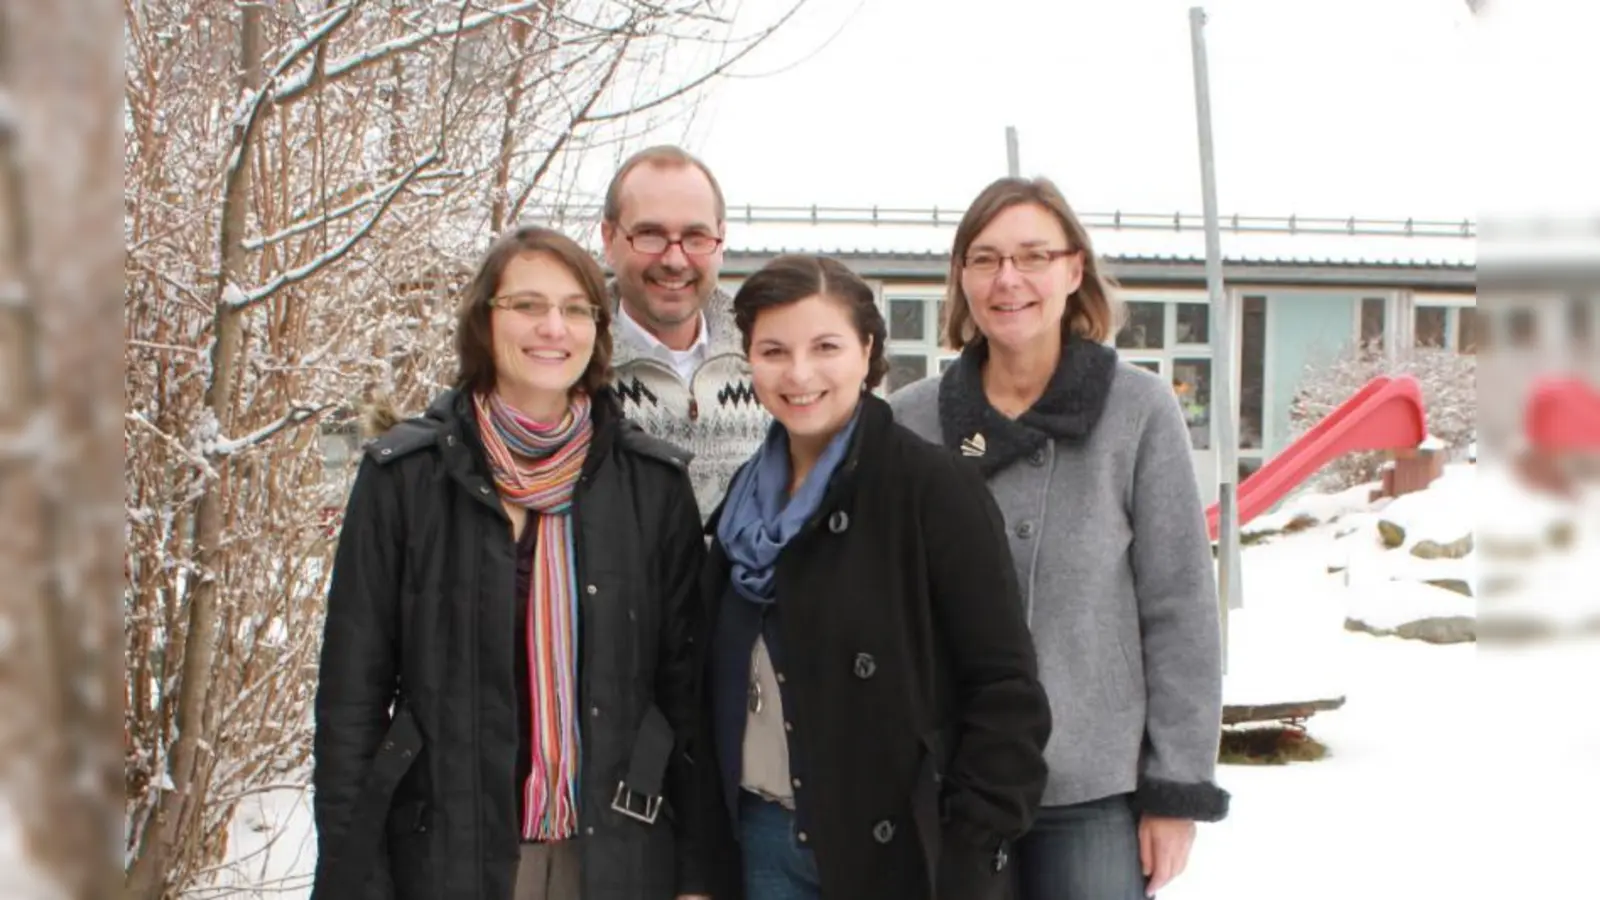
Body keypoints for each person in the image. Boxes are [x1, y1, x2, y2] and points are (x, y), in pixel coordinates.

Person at [311, 225, 715, 900]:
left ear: (596, 328)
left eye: (574, 308)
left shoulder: (650, 484)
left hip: (620, 859)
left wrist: (700, 873)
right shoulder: (405, 480)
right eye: (527, 305)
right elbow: (351, 703)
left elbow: (686, 697)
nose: (551, 328)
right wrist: (355, 879)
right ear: (485, 320)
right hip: (449, 860)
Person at [889, 176, 1229, 900]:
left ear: (1074, 270)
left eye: (1032, 256)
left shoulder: (1137, 411)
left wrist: (1177, 787)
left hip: (1092, 790)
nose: (1008, 279)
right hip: (950, 784)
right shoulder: (909, 422)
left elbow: (1180, 608)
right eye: (985, 259)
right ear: (962, 278)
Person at [702, 253, 1052, 899]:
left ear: (867, 351)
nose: (799, 373)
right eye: (773, 350)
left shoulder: (932, 487)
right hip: (762, 840)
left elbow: (1005, 690)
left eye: (825, 346)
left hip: (895, 852)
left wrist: (968, 854)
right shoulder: (742, 504)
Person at [600, 144, 769, 514]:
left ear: (721, 240)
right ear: (608, 239)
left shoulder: (770, 362)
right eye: (649, 234)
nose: (674, 259)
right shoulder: (571, 369)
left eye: (696, 237)